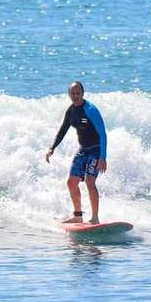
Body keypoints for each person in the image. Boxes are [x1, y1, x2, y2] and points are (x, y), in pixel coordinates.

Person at [45, 81, 108, 224]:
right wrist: (52, 147)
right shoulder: (71, 110)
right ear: (69, 94)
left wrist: (103, 158)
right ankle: (78, 216)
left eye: (78, 93)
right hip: (83, 150)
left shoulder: (91, 110)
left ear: (82, 93)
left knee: (90, 181)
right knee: (71, 182)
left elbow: (103, 135)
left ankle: (95, 218)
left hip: (96, 149)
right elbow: (63, 129)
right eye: (72, 93)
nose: (75, 96)